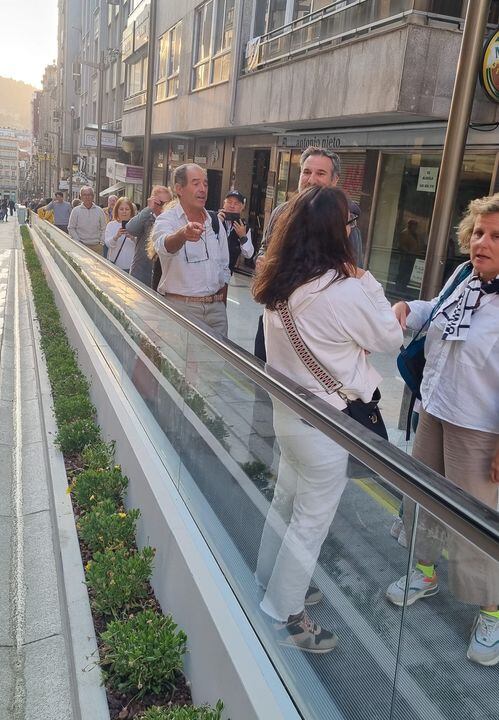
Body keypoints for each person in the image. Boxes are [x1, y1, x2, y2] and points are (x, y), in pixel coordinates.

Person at [252, 186, 402, 653]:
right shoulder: (345, 289)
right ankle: (287, 616)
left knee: (286, 501)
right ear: (340, 232)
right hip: (326, 424)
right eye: (349, 223)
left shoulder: (279, 283)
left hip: (289, 416)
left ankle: (270, 579)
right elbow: (391, 336)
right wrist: (370, 283)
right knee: (310, 522)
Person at [386, 193, 499, 666]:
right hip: (435, 409)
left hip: (481, 429)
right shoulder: (462, 277)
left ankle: (492, 610)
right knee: (424, 498)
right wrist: (406, 310)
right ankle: (426, 570)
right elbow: (436, 310)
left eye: (496, 236)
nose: (482, 242)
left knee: (478, 522)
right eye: (478, 232)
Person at [254, 146, 363, 361]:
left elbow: (354, 275)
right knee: (265, 389)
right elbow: (264, 249)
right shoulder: (280, 213)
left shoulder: (346, 221)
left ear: (334, 180)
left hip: (319, 335)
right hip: (276, 323)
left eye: (320, 173)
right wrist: (262, 262)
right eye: (306, 172)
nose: (311, 179)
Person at [152, 164, 230, 335]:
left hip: (216, 312)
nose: (202, 189)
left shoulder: (215, 223)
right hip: (181, 310)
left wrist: (220, 303)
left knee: (216, 362)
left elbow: (224, 268)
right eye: (195, 183)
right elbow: (163, 246)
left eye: (205, 184)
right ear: (179, 188)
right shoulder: (167, 220)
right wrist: (182, 235)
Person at [126, 185, 172, 286]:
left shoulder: (172, 220)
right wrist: (148, 209)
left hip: (161, 280)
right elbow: (130, 228)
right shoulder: (146, 217)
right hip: (140, 275)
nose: (164, 207)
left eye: (167, 203)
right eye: (160, 203)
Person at [218, 190, 254, 274]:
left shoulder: (243, 226)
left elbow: (249, 254)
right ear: (224, 204)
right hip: (209, 272)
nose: (232, 206)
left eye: (236, 203)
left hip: (226, 273)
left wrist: (243, 237)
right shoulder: (212, 219)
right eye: (229, 202)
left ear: (242, 207)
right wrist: (217, 223)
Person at [68, 186, 106, 254]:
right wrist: (78, 241)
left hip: (97, 247)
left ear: (93, 196)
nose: (87, 197)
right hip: (81, 246)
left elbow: (104, 228)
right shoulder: (75, 211)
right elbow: (71, 227)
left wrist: (101, 242)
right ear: (81, 197)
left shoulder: (100, 211)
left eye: (89, 195)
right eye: (84, 195)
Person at [104, 197, 136, 272]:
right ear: (117, 211)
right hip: (115, 264)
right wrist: (116, 236)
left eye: (127, 209)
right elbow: (108, 244)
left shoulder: (136, 225)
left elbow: (141, 245)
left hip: (131, 265)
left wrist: (132, 238)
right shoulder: (111, 225)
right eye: (121, 209)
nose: (124, 212)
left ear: (131, 211)